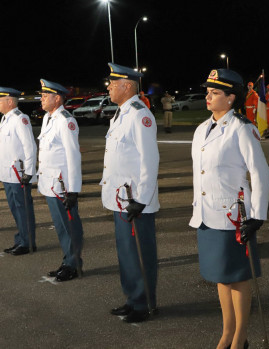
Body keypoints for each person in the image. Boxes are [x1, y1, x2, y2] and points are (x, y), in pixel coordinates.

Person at [190, 68, 269, 349]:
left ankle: (240, 337)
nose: (208, 96)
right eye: (208, 92)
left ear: (231, 97)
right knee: (221, 278)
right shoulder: (202, 129)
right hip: (206, 213)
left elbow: (260, 173)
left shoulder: (241, 128)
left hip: (232, 215)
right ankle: (227, 332)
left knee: (238, 277)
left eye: (215, 92)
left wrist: (257, 215)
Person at [104, 63, 159, 323]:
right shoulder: (121, 113)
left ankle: (144, 303)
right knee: (126, 252)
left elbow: (150, 160)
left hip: (135, 200)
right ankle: (132, 298)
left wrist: (142, 198)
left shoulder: (139, 114)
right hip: (122, 199)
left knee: (140, 253)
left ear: (127, 86)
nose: (109, 88)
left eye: (113, 84)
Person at [38, 79, 84, 281]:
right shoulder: (49, 118)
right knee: (61, 227)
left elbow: (73, 156)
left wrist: (73, 190)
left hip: (62, 186)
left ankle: (73, 265)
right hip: (51, 184)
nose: (41, 99)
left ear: (57, 98)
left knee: (70, 227)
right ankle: (67, 261)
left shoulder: (66, 120)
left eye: (45, 96)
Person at [0, 85, 37, 256]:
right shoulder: (6, 119)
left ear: (10, 101)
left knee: (23, 208)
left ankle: (27, 243)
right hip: (8, 173)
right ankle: (20, 239)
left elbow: (29, 146)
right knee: (15, 208)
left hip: (19, 173)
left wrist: (29, 171)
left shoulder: (20, 118)